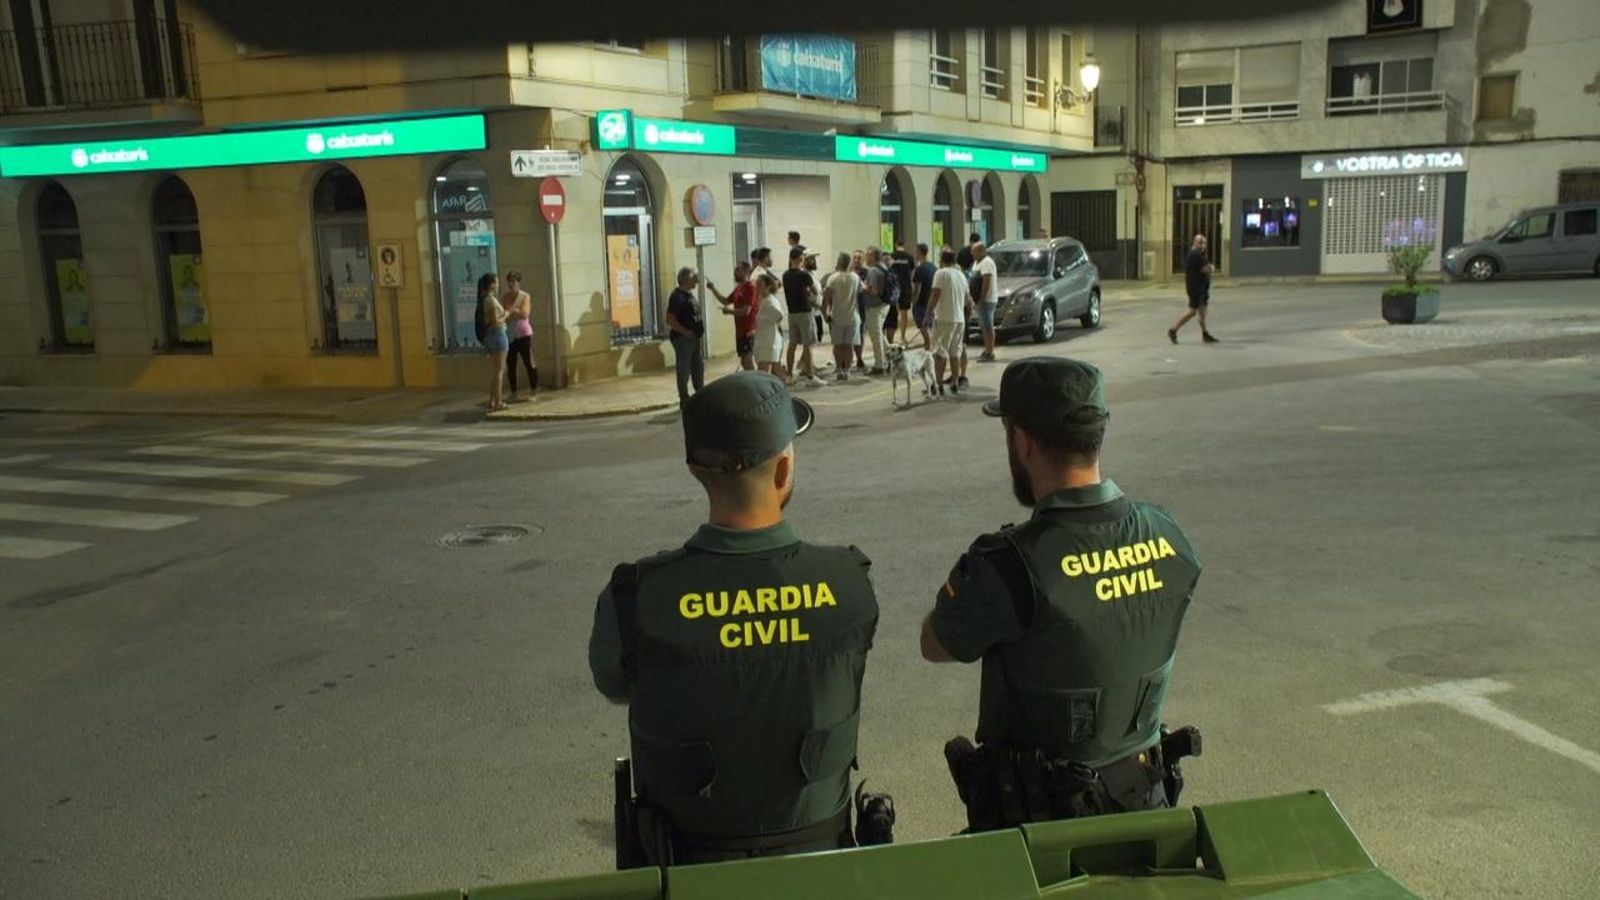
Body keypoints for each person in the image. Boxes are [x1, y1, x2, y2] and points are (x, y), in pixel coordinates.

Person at [589, 371, 881, 865]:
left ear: (696, 468)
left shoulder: (635, 598)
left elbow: (616, 684)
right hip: (822, 872)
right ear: (783, 470)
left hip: (686, 876)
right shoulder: (850, 582)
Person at [920, 357, 1204, 831]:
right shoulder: (1169, 536)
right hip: (1147, 807)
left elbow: (936, 643)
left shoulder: (1010, 565)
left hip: (1039, 832)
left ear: (1023, 441)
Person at [927, 248, 970, 396]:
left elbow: (935, 296)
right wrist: (966, 318)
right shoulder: (961, 276)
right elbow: (968, 301)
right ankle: (955, 383)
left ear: (941, 259)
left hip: (944, 317)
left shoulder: (941, 273)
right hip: (959, 319)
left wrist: (927, 315)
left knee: (939, 352)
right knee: (954, 352)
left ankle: (937, 384)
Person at [781, 247, 824, 386]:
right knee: (808, 344)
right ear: (801, 259)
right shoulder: (804, 275)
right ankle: (810, 376)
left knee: (792, 344)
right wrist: (807, 291)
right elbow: (815, 291)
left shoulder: (785, 275)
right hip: (805, 312)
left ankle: (789, 374)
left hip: (792, 313)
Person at [666, 267, 706, 407]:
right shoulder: (677, 296)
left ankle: (700, 396)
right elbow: (670, 319)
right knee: (684, 369)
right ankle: (684, 398)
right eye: (693, 277)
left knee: (698, 367)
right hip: (683, 339)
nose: (696, 279)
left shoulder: (689, 295)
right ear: (685, 279)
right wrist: (684, 332)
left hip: (694, 338)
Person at [1169, 235, 1219, 344]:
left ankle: (1205, 334)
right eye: (1200, 243)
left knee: (1202, 312)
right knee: (1192, 312)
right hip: (1195, 289)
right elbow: (1208, 269)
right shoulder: (1195, 256)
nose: (1202, 246)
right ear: (1194, 243)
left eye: (1204, 243)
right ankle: (1173, 330)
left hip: (1201, 289)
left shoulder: (1197, 255)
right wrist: (1211, 267)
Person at [822, 252, 862, 382]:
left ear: (839, 262)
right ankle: (847, 371)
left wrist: (825, 313)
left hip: (837, 317)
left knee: (838, 345)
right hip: (852, 317)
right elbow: (862, 291)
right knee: (849, 345)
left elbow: (826, 299)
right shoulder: (855, 277)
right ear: (849, 262)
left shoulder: (832, 278)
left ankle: (839, 369)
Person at [709, 262, 757, 371]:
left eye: (738, 270)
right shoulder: (739, 288)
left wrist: (730, 312)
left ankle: (754, 383)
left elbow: (746, 310)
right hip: (740, 330)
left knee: (747, 360)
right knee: (744, 362)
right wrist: (713, 289)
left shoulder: (751, 287)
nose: (734, 273)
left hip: (748, 330)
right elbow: (725, 301)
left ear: (746, 271)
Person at [502, 271, 537, 402]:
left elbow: (525, 314)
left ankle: (533, 391)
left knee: (529, 362)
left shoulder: (524, 296)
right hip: (510, 335)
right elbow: (503, 314)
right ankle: (514, 392)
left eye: (514, 282)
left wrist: (513, 311)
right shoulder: (505, 297)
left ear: (518, 283)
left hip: (524, 334)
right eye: (509, 282)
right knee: (511, 364)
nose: (511, 285)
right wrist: (512, 313)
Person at [477, 273, 509, 411]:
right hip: (497, 334)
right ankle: (498, 402)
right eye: (496, 282)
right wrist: (507, 314)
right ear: (491, 285)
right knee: (499, 372)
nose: (498, 285)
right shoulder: (490, 300)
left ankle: (492, 401)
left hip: (491, 336)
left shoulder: (485, 299)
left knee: (496, 370)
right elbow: (495, 321)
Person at [752, 271, 789, 378]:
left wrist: (770, 325)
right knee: (775, 372)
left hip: (768, 342)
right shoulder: (764, 300)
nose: (757, 287)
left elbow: (779, 315)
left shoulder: (769, 301)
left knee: (764, 375)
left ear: (768, 287)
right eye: (756, 284)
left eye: (759, 285)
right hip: (765, 341)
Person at [860, 247, 891, 375]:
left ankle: (879, 366)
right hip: (885, 305)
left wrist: (863, 288)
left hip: (875, 306)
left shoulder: (872, 270)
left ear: (872, 257)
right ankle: (891, 360)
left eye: (867, 255)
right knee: (880, 336)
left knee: (876, 337)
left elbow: (873, 291)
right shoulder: (883, 267)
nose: (865, 258)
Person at [971, 242, 1000, 363]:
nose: (973, 254)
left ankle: (990, 352)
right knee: (983, 326)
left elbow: (986, 282)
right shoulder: (977, 263)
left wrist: (982, 298)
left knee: (988, 326)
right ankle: (987, 349)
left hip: (986, 300)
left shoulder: (987, 262)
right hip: (979, 300)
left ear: (982, 251)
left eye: (975, 251)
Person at [886, 241, 915, 345]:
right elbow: (912, 271)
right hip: (905, 286)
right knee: (904, 313)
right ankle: (902, 336)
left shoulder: (892, 256)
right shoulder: (909, 257)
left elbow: (888, 270)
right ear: (905, 245)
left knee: (892, 311)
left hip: (894, 286)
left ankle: (890, 337)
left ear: (895, 245)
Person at [910, 242, 936, 350]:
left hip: (921, 304)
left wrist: (914, 303)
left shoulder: (919, 270)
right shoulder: (934, 267)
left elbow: (917, 290)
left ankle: (928, 349)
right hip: (930, 302)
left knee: (924, 329)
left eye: (915, 252)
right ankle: (930, 348)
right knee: (930, 328)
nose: (915, 254)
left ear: (919, 252)